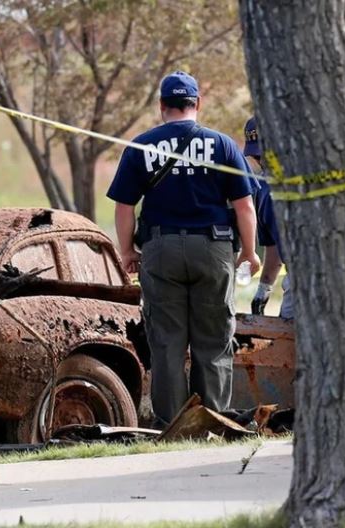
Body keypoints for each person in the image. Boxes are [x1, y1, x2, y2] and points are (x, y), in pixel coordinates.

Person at [107, 70, 261, 426]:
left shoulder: (141, 146)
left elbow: (124, 206)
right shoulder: (222, 145)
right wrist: (249, 252)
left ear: (162, 106)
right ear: (197, 103)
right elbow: (244, 206)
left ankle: (173, 425)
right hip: (213, 249)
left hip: (160, 251)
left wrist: (128, 251)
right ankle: (211, 421)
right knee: (213, 340)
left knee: (167, 344)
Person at [243, 117, 293, 319]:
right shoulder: (262, 190)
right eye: (258, 155)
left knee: (293, 342)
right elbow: (274, 252)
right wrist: (262, 291)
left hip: (305, 281)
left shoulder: (264, 190)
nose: (262, 159)